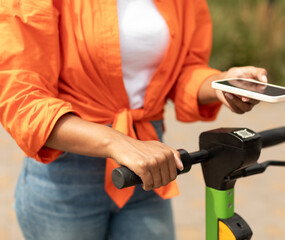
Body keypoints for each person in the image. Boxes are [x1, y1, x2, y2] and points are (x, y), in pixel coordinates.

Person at [0, 0, 267, 239]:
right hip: (66, 174)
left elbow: (184, 68)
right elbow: (21, 97)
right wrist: (116, 142)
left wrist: (220, 84)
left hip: (151, 169)